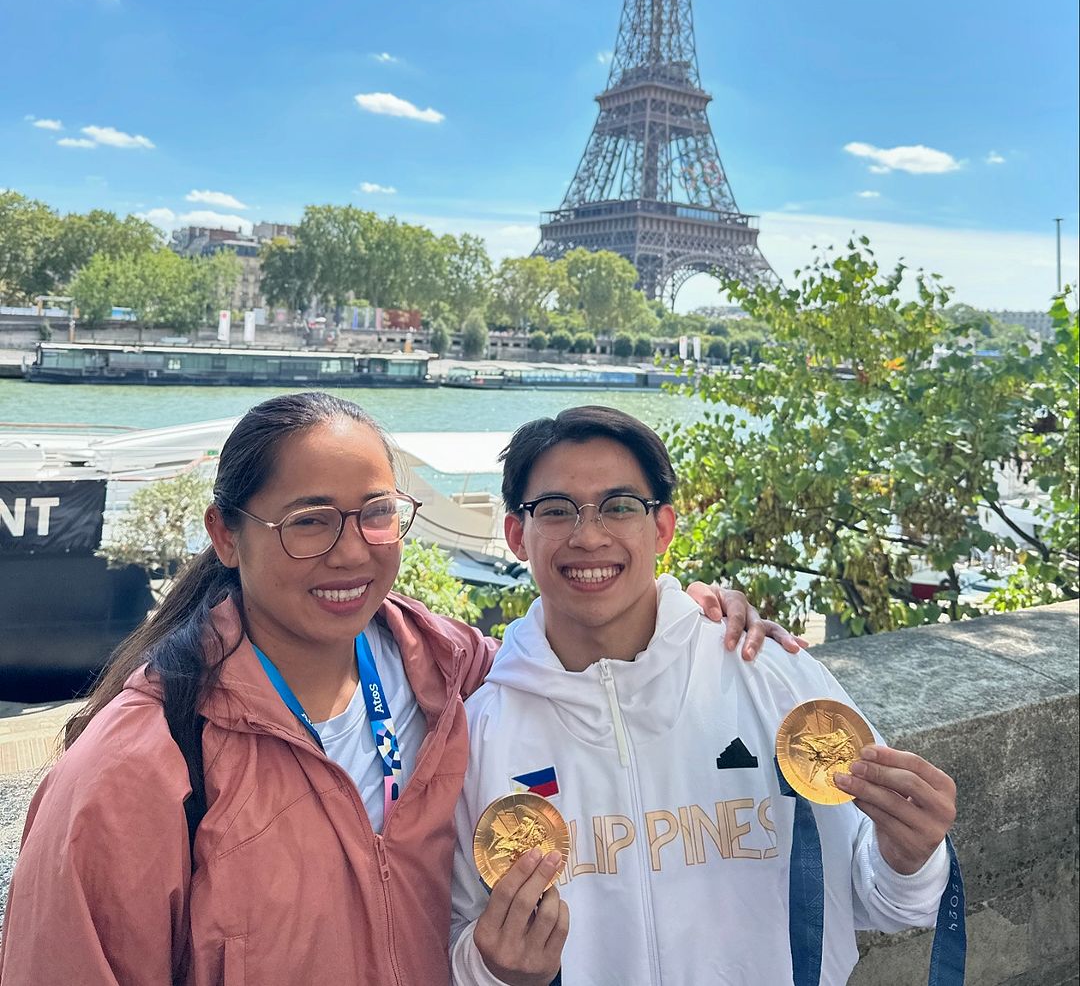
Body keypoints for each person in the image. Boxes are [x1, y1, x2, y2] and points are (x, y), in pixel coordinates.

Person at [0, 392, 798, 986]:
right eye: (309, 520)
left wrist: (686, 615)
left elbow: (579, 663)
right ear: (225, 535)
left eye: (376, 514)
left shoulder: (456, 677)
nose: (352, 553)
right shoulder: (134, 770)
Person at [449, 406, 959, 986]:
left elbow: (883, 902)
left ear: (662, 526)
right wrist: (493, 970)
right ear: (518, 533)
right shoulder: (482, 731)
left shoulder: (770, 676)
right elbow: (453, 937)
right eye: (556, 510)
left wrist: (912, 856)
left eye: (619, 506)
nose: (588, 536)